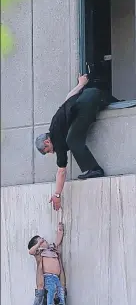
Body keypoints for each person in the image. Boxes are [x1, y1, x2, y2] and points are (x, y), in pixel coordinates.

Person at [35, 74, 110, 211]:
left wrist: (57, 194)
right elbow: (68, 98)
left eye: (48, 150)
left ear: (47, 141)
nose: (52, 152)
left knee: (72, 140)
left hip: (90, 101)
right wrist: (81, 84)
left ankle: (95, 169)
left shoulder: (57, 138)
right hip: (92, 95)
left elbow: (61, 172)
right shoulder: (56, 124)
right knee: (71, 138)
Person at [28, 222, 73, 305]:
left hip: (56, 276)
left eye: (42, 239)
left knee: (61, 290)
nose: (44, 240)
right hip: (48, 277)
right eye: (40, 240)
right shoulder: (41, 253)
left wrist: (60, 230)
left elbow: (58, 240)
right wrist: (39, 244)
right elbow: (31, 251)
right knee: (51, 290)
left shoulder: (52, 249)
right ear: (38, 246)